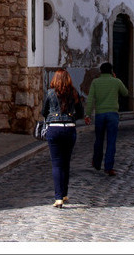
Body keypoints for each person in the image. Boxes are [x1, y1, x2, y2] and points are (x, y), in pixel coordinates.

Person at [41, 68, 84, 208]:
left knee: (57, 164)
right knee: (66, 162)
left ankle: (58, 198)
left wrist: (52, 117)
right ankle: (64, 194)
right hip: (69, 129)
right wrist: (71, 118)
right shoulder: (74, 93)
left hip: (54, 129)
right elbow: (80, 112)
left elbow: (44, 112)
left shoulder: (50, 93)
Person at [84, 61, 129, 176]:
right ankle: (109, 167)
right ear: (111, 71)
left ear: (101, 71)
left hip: (100, 114)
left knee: (99, 140)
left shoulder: (95, 82)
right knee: (111, 141)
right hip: (113, 114)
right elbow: (125, 93)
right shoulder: (116, 82)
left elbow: (90, 99)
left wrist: (87, 114)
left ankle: (97, 162)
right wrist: (116, 79)